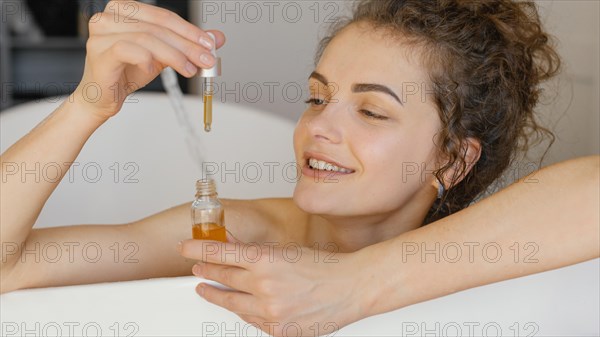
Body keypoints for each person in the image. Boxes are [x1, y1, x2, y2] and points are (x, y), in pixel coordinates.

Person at [0, 0, 597, 336]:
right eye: (316, 97)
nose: (318, 129)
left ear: (453, 158)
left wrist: (353, 285)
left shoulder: (487, 254)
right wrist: (89, 104)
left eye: (371, 110)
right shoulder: (235, 233)